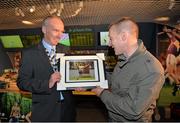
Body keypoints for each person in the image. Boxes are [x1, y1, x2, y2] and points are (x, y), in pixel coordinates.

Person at [91, 17, 165, 122]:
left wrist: (102, 93)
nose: (109, 44)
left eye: (111, 38)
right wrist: (92, 79)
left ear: (124, 36)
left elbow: (132, 110)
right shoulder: (124, 59)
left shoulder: (151, 69)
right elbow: (117, 83)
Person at [17, 16, 76, 122]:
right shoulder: (29, 53)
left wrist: (76, 84)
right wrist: (47, 83)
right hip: (45, 111)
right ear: (44, 29)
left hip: (67, 109)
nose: (60, 35)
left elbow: (70, 75)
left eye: (62, 31)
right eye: (56, 30)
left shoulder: (65, 49)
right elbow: (22, 82)